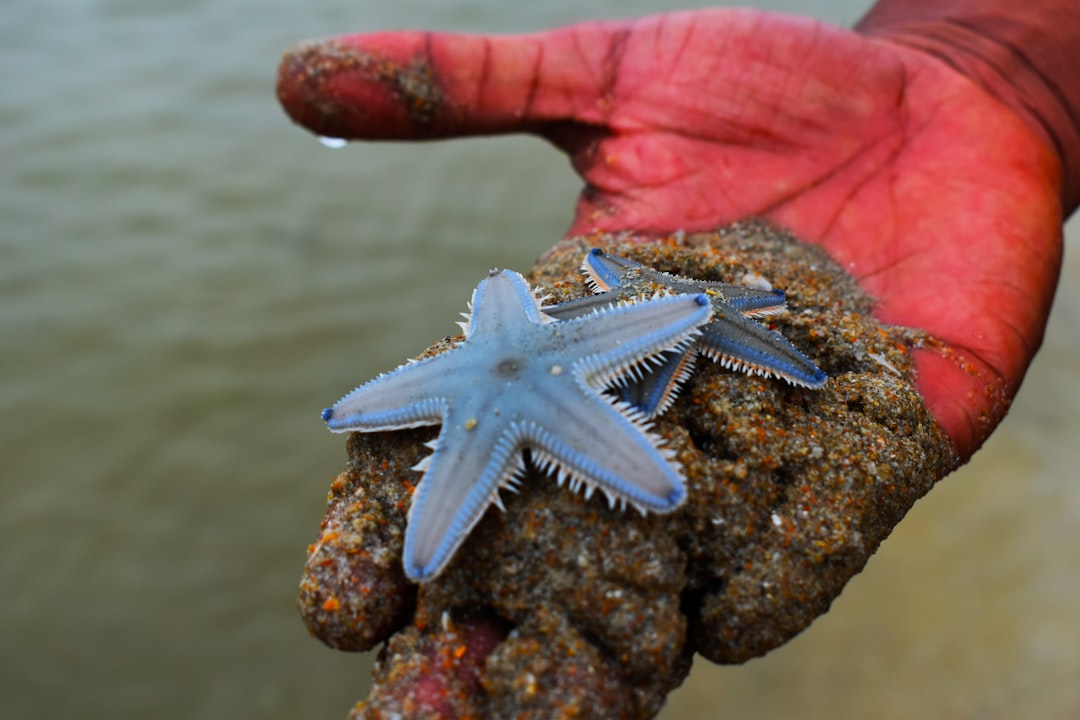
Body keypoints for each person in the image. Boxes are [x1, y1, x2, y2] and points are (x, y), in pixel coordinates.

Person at [277, 1, 1078, 715]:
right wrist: (976, 54)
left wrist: (1007, 77)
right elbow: (477, 322)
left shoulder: (563, 326)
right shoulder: (503, 319)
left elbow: (648, 323)